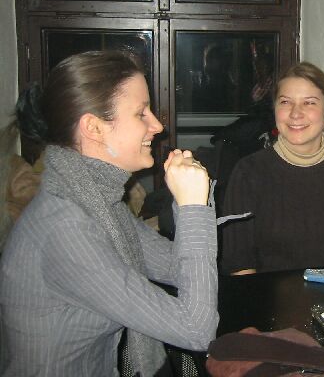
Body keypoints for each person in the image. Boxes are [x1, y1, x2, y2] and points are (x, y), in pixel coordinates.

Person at [0, 51, 219, 376]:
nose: (157, 126)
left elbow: (177, 267)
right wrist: (192, 208)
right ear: (94, 128)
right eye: (141, 113)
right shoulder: (66, 228)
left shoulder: (97, 203)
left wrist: (189, 201)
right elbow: (196, 331)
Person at [219, 62, 324, 274]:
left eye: (309, 103)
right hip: (266, 294)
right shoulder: (248, 173)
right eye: (285, 102)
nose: (296, 113)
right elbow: (240, 265)